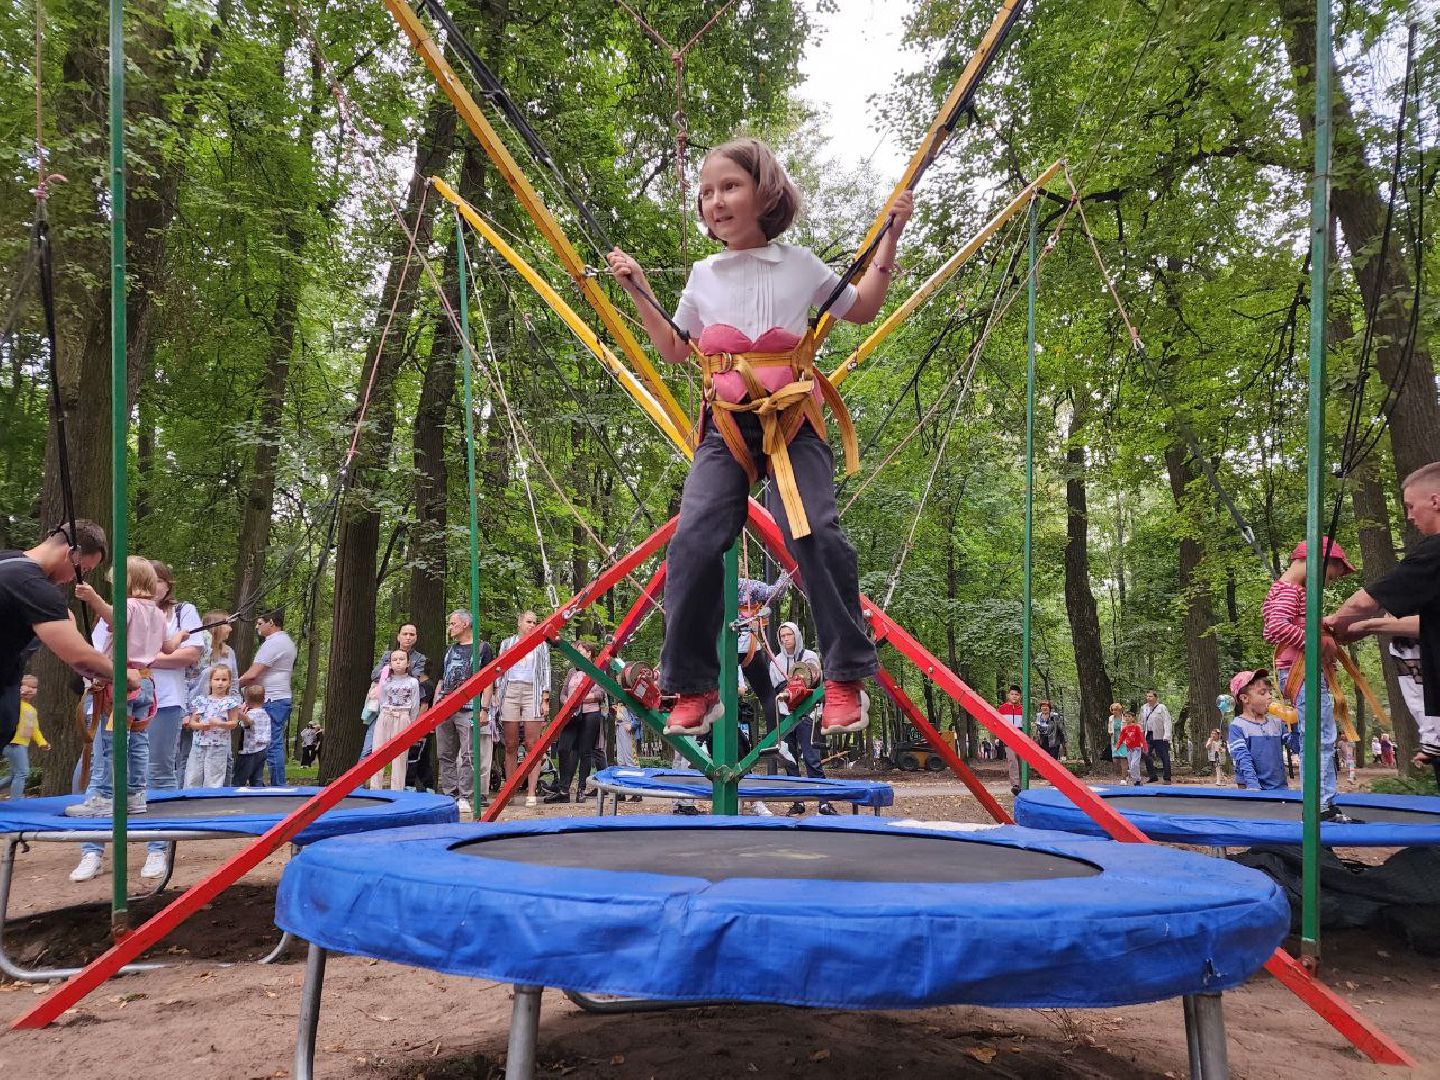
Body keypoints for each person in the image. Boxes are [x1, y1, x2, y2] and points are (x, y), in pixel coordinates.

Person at [606, 137, 914, 739]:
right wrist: (638, 287)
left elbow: (862, 308)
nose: (715, 201)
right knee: (693, 541)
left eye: (730, 187)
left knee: (812, 530)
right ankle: (695, 686)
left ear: (765, 193)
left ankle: (845, 675)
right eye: (707, 192)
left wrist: (890, 239)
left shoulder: (799, 265)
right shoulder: (704, 274)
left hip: (792, 420)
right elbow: (675, 347)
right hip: (726, 426)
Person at [1328, 463, 1440, 780]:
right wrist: (1369, 626)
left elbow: (1365, 601)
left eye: (1411, 506)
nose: (1409, 515)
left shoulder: (1434, 551)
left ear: (1435, 500)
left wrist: (1335, 624)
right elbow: (1426, 625)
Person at [0, 520, 119, 748]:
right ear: (73, 554)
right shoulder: (32, 585)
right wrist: (124, 676)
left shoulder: (8, 563)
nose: (76, 577)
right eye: (83, 570)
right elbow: (80, 658)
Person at [1262, 538, 1358, 821]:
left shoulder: (1293, 590)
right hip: (1301, 670)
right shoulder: (1290, 590)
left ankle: (1322, 802)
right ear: (1317, 561)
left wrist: (1321, 626)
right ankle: (1320, 805)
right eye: (1330, 575)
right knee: (1319, 736)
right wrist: (1315, 642)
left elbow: (1284, 623)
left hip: (1303, 670)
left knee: (1321, 735)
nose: (1328, 583)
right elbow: (1275, 627)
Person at [432, 610, 495, 814]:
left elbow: (488, 680)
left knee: (469, 754)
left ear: (466, 624)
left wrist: (484, 709)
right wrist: (434, 708)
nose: (450, 627)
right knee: (445, 753)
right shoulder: (449, 650)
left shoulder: (482, 648)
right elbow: (441, 680)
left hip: (469, 708)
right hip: (445, 707)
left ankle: (465, 796)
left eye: (453, 623)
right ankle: (450, 794)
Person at [494, 611, 551, 808]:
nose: (532, 625)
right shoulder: (507, 643)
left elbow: (546, 671)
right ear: (519, 623)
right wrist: (497, 694)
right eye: (528, 621)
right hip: (510, 690)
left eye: (535, 622)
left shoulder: (541, 645)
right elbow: (499, 669)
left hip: (532, 692)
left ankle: (531, 792)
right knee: (510, 744)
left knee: (532, 744)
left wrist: (545, 699)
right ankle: (509, 791)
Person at [769, 620, 826, 812]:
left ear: (796, 635)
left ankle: (824, 801)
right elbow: (777, 687)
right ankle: (798, 802)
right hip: (786, 715)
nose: (786, 639)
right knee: (790, 761)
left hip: (807, 714)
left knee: (812, 759)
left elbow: (814, 681)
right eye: (782, 636)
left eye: (789, 635)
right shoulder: (776, 661)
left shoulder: (809, 656)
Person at [239, 608, 296, 785]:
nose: (257, 627)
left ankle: (278, 786)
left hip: (271, 699)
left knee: (270, 744)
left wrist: (231, 685)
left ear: (271, 622)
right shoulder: (286, 641)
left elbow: (252, 674)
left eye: (260, 623)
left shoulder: (274, 643)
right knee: (271, 742)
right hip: (279, 697)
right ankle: (262, 783)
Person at [550, 641, 607, 803]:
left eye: (579, 650)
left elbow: (600, 694)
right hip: (572, 714)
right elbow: (563, 694)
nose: (576, 653)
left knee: (584, 751)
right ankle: (563, 789)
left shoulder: (597, 669)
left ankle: (581, 789)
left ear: (589, 653)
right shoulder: (571, 672)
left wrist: (580, 699)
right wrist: (568, 701)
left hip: (591, 714)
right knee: (563, 748)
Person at [369, 650, 421, 791]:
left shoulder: (413, 682)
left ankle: (397, 789)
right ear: (390, 664)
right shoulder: (385, 681)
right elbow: (381, 700)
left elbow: (415, 705)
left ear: (408, 663)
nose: (398, 662)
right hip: (386, 714)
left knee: (400, 755)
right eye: (395, 659)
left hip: (403, 716)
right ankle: (375, 788)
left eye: (401, 659)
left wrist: (411, 723)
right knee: (378, 751)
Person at [1227, 669, 1287, 791]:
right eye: (1262, 693)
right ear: (1245, 698)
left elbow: (1296, 746)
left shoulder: (1276, 723)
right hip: (1251, 788)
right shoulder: (1238, 726)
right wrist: (1252, 784)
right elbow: (1242, 757)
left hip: (1279, 787)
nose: (1269, 696)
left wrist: (1294, 725)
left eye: (1270, 692)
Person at [183, 665, 242, 788]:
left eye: (224, 680)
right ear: (210, 682)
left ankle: (211, 797)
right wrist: (201, 725)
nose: (220, 683)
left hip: (218, 745)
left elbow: (234, 723)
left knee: (214, 777)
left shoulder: (230, 702)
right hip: (199, 744)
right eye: (217, 679)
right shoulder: (202, 700)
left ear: (229, 683)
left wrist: (220, 723)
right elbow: (192, 722)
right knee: (193, 775)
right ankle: (191, 796)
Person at [4, 674, 47, 798]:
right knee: (23, 772)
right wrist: (16, 695)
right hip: (13, 742)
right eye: (27, 686)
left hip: (23, 744)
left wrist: (42, 742)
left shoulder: (32, 709)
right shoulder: (14, 703)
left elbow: (34, 729)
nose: (30, 689)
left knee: (15, 775)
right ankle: (16, 801)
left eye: (34, 687)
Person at [234, 684, 271, 786]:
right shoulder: (265, 714)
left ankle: (237, 790)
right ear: (263, 700)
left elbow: (247, 723)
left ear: (247, 701)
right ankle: (258, 790)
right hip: (262, 749)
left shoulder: (251, 714)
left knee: (240, 776)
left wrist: (241, 715)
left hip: (249, 751)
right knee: (257, 776)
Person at [1139, 690, 1173, 783]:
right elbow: (1141, 722)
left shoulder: (1162, 707)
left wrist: (1167, 735)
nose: (1148, 698)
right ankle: (1152, 776)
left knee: (1164, 756)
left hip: (1160, 735)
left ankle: (1167, 778)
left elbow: (1167, 721)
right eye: (1147, 696)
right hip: (1148, 734)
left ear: (1155, 698)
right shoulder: (1144, 708)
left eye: (1150, 696)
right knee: (1146, 754)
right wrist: (1141, 735)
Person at [997, 685, 1023, 795]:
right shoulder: (1002, 708)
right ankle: (1015, 785)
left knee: (1021, 762)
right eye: (1012, 694)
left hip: (1021, 739)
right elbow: (998, 723)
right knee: (1012, 760)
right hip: (1008, 739)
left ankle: (1022, 785)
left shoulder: (1022, 709)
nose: (1014, 696)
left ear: (1020, 696)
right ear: (1008, 695)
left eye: (1016, 694)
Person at [1116, 710, 1146, 785]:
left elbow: (1142, 737)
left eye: (1129, 716)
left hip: (1136, 749)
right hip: (1129, 749)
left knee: (1134, 764)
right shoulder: (1125, 728)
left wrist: (1145, 747)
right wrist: (1117, 746)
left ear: (1133, 718)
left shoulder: (1137, 727)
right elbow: (1121, 738)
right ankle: (1137, 780)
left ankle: (1136, 778)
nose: (1127, 718)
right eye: (1125, 716)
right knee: (1131, 765)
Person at [1107, 703, 1127, 781]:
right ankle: (1125, 773)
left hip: (1123, 741)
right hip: (1114, 741)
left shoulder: (1124, 718)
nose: (1114, 711)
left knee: (1123, 759)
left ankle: (1124, 778)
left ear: (1120, 710)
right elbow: (1109, 727)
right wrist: (1109, 731)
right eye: (1113, 710)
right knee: (1115, 760)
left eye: (1116, 710)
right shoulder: (1111, 718)